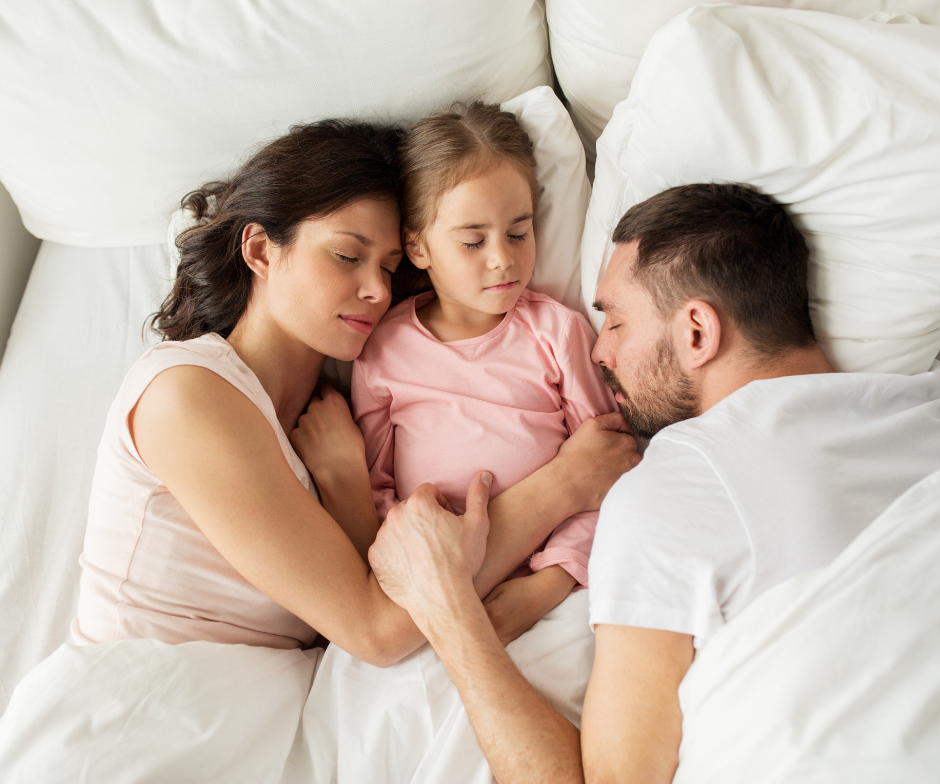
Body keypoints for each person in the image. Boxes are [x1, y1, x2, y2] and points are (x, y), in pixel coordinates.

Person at [368, 183, 940, 782]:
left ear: (697, 333)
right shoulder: (922, 410)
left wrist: (447, 606)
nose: (598, 351)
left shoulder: (678, 486)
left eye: (615, 321)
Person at [70, 120, 637, 666]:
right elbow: (378, 630)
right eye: (347, 256)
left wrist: (346, 481)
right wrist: (566, 482)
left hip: (273, 694)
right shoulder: (187, 396)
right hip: (148, 686)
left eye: (389, 267)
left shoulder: (325, 414)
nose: (377, 291)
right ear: (261, 251)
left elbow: (371, 583)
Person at [352, 102, 619, 644]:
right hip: (429, 585)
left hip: (560, 584)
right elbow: (377, 490)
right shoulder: (382, 350)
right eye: (473, 242)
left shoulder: (556, 332)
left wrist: (549, 582)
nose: (502, 259)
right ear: (418, 247)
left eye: (519, 233)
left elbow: (609, 464)